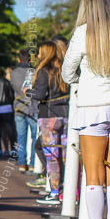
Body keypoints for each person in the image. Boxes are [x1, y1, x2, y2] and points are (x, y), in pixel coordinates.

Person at [60, 0, 110, 219]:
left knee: (94, 176)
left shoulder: (82, 33)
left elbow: (67, 72)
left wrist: (83, 79)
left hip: (92, 108)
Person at [29, 40, 70, 206]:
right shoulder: (64, 70)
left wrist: (27, 91)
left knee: (52, 156)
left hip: (48, 116)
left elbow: (40, 94)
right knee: (67, 156)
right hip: (66, 115)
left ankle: (54, 192)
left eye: (39, 52)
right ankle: (69, 192)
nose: (38, 55)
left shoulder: (44, 71)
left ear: (45, 53)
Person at [10, 48, 37, 173]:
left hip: (19, 107)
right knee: (34, 136)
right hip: (32, 107)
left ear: (18, 58)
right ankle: (32, 164)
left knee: (21, 136)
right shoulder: (35, 71)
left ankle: (22, 163)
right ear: (30, 59)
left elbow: (14, 89)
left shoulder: (13, 73)